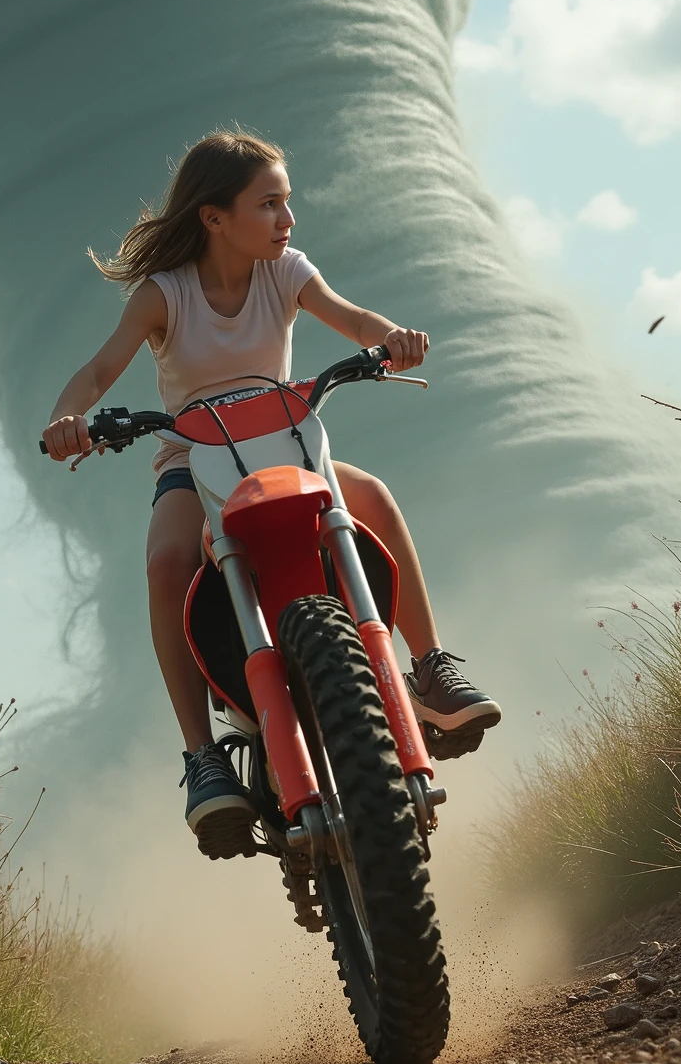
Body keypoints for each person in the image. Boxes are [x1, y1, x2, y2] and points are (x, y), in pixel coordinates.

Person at [42, 130, 500, 855]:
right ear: (215, 217)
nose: (287, 217)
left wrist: (393, 338)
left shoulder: (285, 272)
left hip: (282, 446)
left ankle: (431, 669)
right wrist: (69, 419)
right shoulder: (164, 295)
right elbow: (99, 373)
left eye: (287, 201)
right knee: (165, 565)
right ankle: (202, 758)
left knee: (372, 497)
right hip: (193, 461)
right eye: (269, 203)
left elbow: (354, 320)